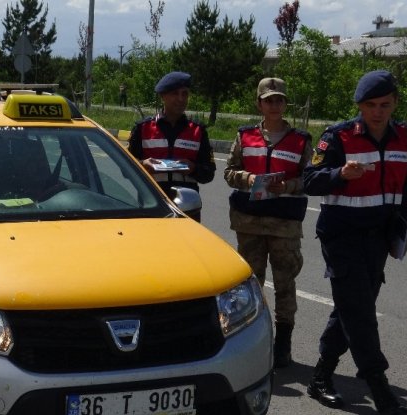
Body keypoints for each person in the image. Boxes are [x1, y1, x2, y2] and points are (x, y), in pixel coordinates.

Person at [303, 70, 407, 415]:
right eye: (370, 105)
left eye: (385, 104)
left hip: (378, 238)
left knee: (352, 307)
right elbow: (310, 180)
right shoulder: (338, 137)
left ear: (395, 102)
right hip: (342, 236)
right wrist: (339, 175)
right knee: (361, 313)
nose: (378, 112)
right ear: (359, 106)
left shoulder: (404, 139)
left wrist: (401, 232)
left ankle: (321, 375)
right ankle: (379, 387)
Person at [224, 77, 312, 368]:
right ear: (259, 103)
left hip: (284, 224)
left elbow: (310, 179)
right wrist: (247, 178)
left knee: (285, 284)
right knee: (251, 284)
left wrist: (287, 186)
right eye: (269, 99)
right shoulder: (245, 136)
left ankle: (283, 344)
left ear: (286, 104)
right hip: (249, 222)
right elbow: (229, 172)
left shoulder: (301, 140)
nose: (275, 105)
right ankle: (252, 340)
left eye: (280, 99)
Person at [128, 71, 216, 221]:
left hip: (187, 208)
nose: (181, 99)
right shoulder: (143, 128)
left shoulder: (198, 131)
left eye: (185, 94)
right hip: (151, 206)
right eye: (175, 93)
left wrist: (194, 168)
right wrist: (143, 165)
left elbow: (209, 173)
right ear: (163, 96)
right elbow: (126, 168)